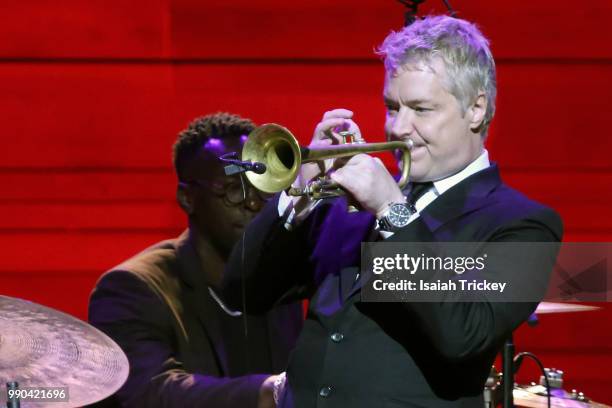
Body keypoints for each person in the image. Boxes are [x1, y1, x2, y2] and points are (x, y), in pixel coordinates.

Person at [220, 16, 563, 407]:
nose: (399, 127)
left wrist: (391, 211)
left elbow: (462, 336)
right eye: (391, 106)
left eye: (420, 109)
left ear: (476, 109)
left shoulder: (522, 223)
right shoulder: (345, 203)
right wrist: (298, 192)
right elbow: (242, 293)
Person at [88, 113, 303, 407]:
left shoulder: (279, 277)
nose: (252, 203)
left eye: (261, 190)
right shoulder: (130, 288)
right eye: (231, 191)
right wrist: (268, 390)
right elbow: (150, 392)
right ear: (187, 197)